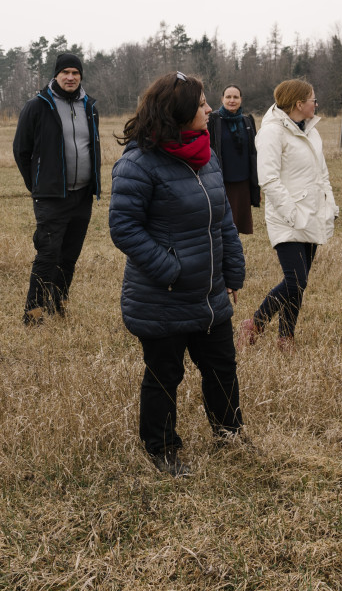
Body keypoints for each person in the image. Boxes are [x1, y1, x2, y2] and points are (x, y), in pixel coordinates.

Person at [108, 71, 247, 478]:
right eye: (202, 104)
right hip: (163, 296)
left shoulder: (207, 155)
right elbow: (124, 228)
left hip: (209, 293)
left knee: (222, 367)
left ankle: (230, 433)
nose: (209, 109)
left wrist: (232, 269)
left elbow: (222, 218)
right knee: (164, 374)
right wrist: (171, 269)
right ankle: (162, 447)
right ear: (179, 112)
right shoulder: (138, 163)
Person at [237, 79, 338, 353]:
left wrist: (329, 206)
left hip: (312, 214)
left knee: (298, 285)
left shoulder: (311, 131)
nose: (316, 104)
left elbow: (322, 174)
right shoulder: (272, 132)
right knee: (296, 280)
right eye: (312, 99)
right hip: (287, 217)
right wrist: (292, 213)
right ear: (299, 103)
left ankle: (286, 337)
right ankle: (255, 324)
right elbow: (268, 179)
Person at [12, 53, 101, 326]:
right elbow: (21, 150)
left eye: (75, 73)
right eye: (65, 73)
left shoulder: (90, 106)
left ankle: (58, 306)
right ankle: (33, 314)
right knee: (48, 255)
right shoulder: (38, 106)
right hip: (51, 196)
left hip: (82, 195)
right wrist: (38, 184)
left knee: (69, 256)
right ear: (56, 75)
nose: (71, 77)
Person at [207, 84, 260, 234]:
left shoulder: (247, 121)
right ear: (222, 99)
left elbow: (253, 152)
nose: (232, 100)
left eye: (235, 97)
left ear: (241, 99)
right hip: (222, 182)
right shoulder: (212, 120)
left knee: (237, 226)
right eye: (228, 97)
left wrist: (256, 185)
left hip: (243, 182)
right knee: (222, 225)